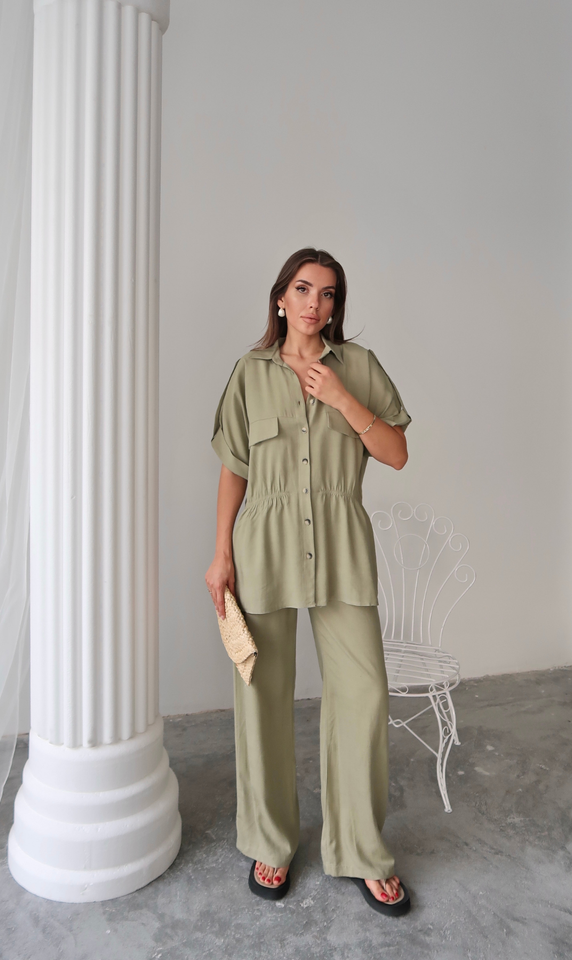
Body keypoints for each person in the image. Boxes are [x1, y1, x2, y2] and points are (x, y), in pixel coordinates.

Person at [205, 247, 413, 916]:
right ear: (280, 297)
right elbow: (234, 468)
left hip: (340, 544)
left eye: (326, 294)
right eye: (302, 289)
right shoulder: (250, 373)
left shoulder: (359, 367)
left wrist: (342, 398)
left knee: (364, 694)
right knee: (260, 695)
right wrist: (220, 554)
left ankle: (361, 849)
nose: (313, 303)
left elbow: (396, 453)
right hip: (262, 545)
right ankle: (270, 842)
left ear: (335, 306)